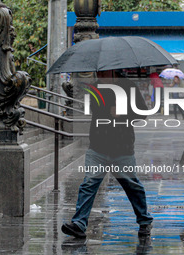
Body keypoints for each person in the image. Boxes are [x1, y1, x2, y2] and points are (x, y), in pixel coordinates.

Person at [61, 70, 153, 239]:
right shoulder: (95, 87)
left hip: (122, 147)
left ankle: (144, 221)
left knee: (132, 186)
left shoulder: (128, 87)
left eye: (103, 73)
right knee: (89, 183)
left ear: (113, 71)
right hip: (98, 146)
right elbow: (89, 108)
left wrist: (123, 111)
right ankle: (79, 223)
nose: (99, 75)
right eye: (98, 72)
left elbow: (142, 112)